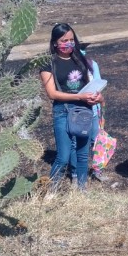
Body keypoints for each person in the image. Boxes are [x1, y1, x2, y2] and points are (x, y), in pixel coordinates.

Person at [39, 23, 103, 190]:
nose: (68, 43)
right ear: (54, 43)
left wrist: (96, 96)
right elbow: (52, 94)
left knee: (82, 155)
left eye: (71, 39)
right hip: (63, 111)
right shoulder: (48, 63)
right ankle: (51, 190)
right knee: (64, 156)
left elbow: (89, 84)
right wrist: (79, 96)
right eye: (63, 40)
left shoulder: (81, 60)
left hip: (83, 110)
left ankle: (82, 189)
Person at [69, 49, 106, 183]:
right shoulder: (70, 67)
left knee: (96, 141)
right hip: (77, 112)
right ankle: (75, 174)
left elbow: (98, 83)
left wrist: (98, 98)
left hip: (93, 110)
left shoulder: (92, 64)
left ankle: (97, 170)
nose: (81, 52)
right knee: (75, 143)